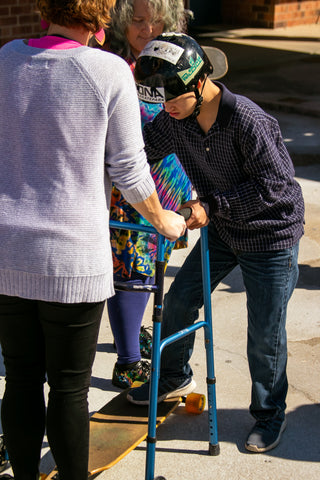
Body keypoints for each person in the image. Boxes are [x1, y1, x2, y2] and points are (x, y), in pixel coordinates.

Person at [0, 3, 186, 480]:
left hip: (7, 249)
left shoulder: (6, 58)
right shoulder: (106, 70)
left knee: (20, 381)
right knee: (68, 390)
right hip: (71, 256)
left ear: (45, 8)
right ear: (101, 17)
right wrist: (164, 218)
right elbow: (128, 168)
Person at [127, 33, 305, 454]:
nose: (163, 109)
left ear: (198, 83)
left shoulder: (248, 121)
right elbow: (143, 149)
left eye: (170, 98)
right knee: (181, 299)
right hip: (224, 229)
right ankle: (172, 375)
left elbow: (277, 189)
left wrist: (210, 206)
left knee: (264, 333)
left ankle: (269, 413)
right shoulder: (174, 120)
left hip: (269, 233)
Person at [103, 0, 193, 389]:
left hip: (170, 186)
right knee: (130, 272)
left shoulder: (180, 66)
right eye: (137, 21)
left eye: (156, 22)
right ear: (123, 25)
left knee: (152, 269)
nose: (147, 30)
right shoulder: (117, 71)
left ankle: (132, 339)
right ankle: (127, 362)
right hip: (132, 189)